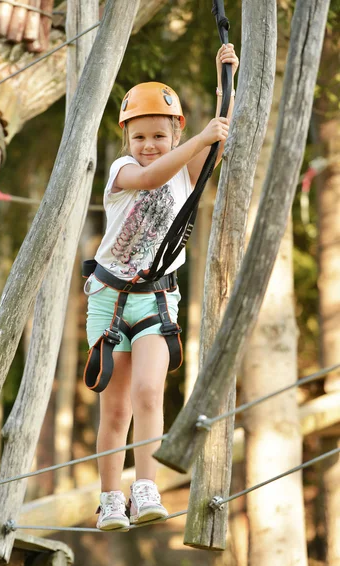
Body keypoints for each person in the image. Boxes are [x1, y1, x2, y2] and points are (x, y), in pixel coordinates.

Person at [84, 44, 239, 531]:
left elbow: (215, 140)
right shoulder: (123, 171)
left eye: (159, 135)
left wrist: (223, 82)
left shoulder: (187, 171)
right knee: (115, 407)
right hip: (110, 300)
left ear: (173, 131)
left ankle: (144, 486)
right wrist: (194, 140)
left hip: (155, 299)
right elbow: (153, 172)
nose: (149, 144)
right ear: (126, 138)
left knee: (150, 393)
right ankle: (111, 497)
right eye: (140, 136)